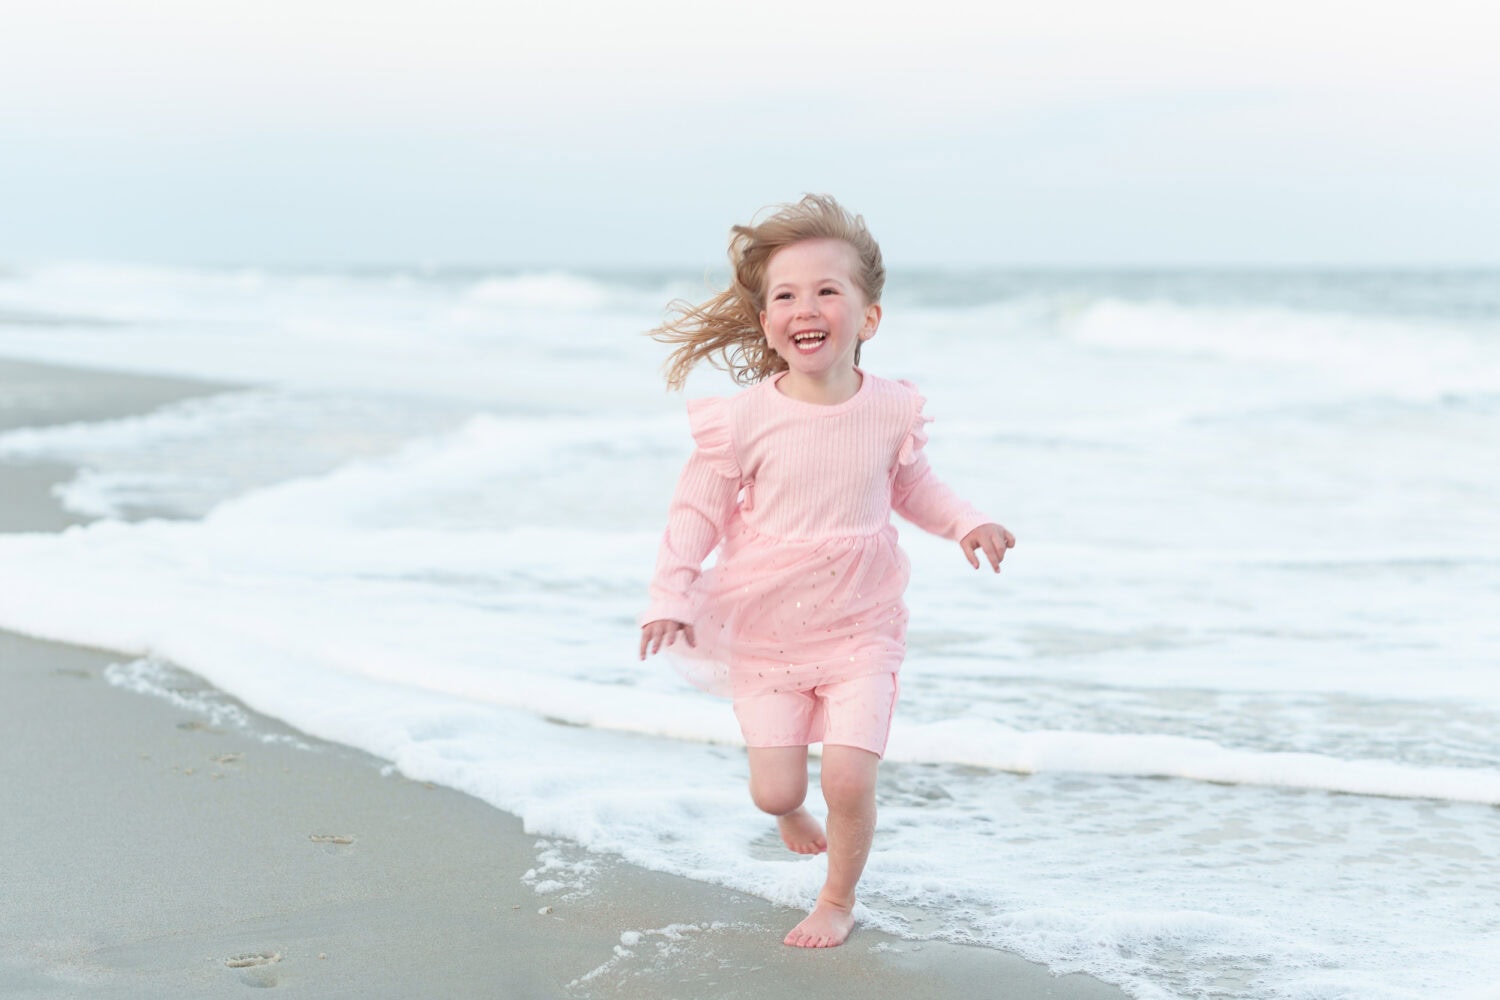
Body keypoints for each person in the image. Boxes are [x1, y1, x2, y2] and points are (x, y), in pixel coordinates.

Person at [637, 194, 1015, 949]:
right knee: (775, 788)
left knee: (848, 778)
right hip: (767, 626)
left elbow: (912, 487)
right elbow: (695, 514)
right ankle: (786, 813)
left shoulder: (890, 409)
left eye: (826, 290)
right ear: (768, 322)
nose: (804, 306)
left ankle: (836, 900)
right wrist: (671, 594)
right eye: (785, 294)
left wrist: (966, 520)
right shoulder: (741, 420)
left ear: (867, 318)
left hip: (862, 622)